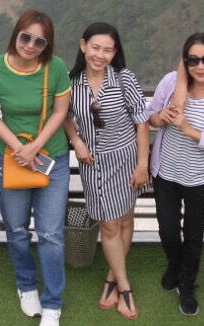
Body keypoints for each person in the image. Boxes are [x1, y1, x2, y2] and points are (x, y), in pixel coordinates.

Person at [0, 9, 72, 326]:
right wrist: (20, 149)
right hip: (13, 159)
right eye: (26, 37)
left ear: (48, 45)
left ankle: (53, 303)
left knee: (50, 233)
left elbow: (61, 112)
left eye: (39, 41)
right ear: (16, 33)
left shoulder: (55, 67)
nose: (30, 45)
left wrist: (35, 146)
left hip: (52, 157)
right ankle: (26, 284)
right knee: (17, 230)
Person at [146, 32, 204, 316]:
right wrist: (161, 118)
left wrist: (189, 130)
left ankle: (187, 283)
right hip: (166, 173)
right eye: (193, 60)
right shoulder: (171, 83)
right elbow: (150, 116)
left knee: (194, 233)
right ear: (184, 61)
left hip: (200, 179)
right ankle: (174, 264)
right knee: (168, 229)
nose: (201, 66)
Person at [62, 22, 150, 320]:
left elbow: (142, 120)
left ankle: (113, 277)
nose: (100, 54)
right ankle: (125, 287)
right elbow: (62, 116)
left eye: (108, 50)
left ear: (115, 52)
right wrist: (76, 141)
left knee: (125, 218)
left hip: (127, 160)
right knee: (110, 225)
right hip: (94, 164)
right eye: (95, 47)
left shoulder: (124, 79)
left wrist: (142, 165)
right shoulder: (71, 83)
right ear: (83, 45)